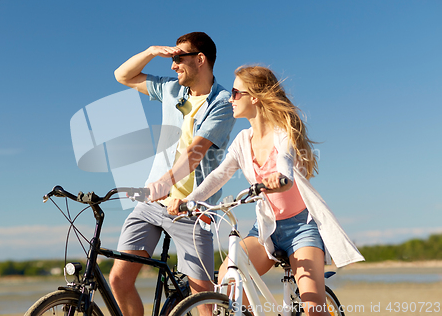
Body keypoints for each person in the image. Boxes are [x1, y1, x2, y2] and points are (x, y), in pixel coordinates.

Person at [168, 65, 364, 316]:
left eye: (236, 93)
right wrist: (188, 200)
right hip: (265, 229)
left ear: (255, 97)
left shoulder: (283, 132)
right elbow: (219, 176)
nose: (231, 98)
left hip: (301, 227)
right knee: (230, 283)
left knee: (313, 305)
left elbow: (285, 162)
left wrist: (281, 178)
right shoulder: (242, 140)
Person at [109, 32, 235, 316]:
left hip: (192, 211)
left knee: (203, 300)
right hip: (152, 205)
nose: (173, 65)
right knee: (118, 279)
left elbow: (196, 152)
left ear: (200, 59)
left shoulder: (223, 103)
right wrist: (151, 50)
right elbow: (122, 76)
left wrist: (165, 182)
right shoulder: (171, 90)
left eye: (179, 58)